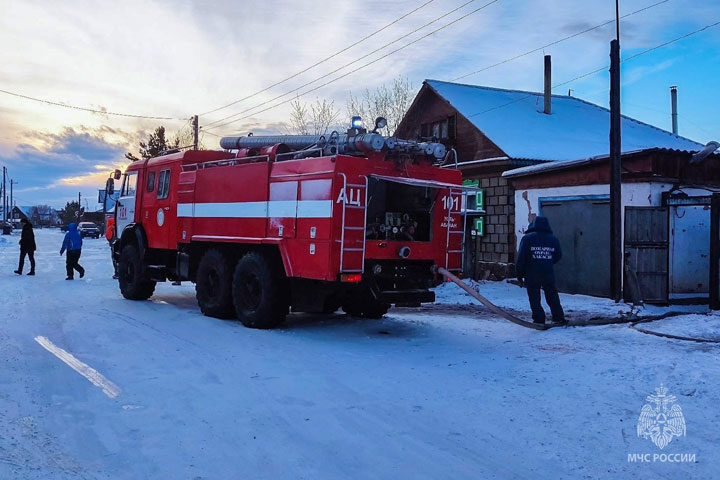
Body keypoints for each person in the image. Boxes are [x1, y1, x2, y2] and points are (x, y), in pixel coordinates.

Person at [516, 216, 566, 325]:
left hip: (532, 273)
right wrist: (547, 262)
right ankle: (558, 316)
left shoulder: (527, 239)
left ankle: (539, 318)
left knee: (534, 297)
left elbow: (521, 258)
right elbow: (558, 255)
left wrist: (519, 274)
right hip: (547, 272)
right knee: (552, 294)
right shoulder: (553, 239)